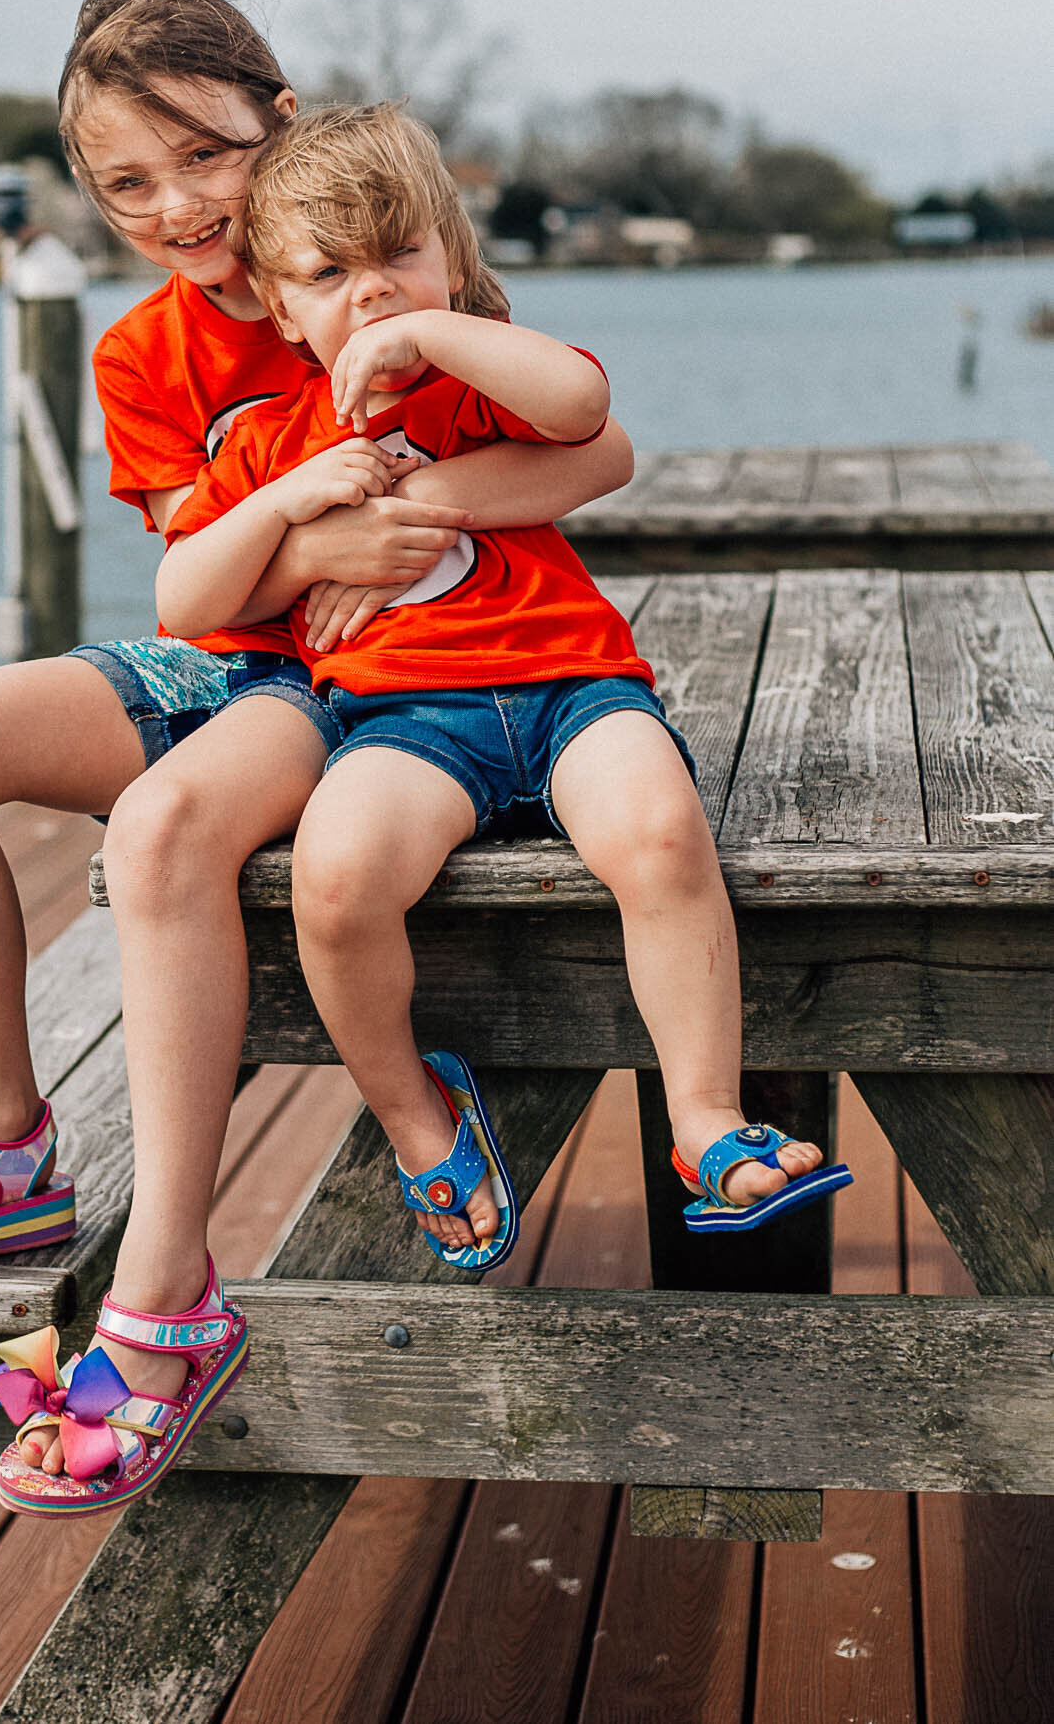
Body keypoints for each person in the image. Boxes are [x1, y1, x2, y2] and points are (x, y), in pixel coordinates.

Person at [0, 0, 636, 1497]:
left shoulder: (390, 278)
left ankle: (170, 1276)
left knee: (171, 824)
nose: (176, 204)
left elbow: (596, 445)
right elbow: (210, 585)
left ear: (283, 123)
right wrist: (310, 544)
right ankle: (0, 1145)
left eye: (203, 154)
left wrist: (422, 506)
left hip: (378, 691)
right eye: (126, 180)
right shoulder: (141, 359)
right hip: (231, 657)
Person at [156, 102, 852, 1287]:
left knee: (661, 828)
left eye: (401, 256)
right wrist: (288, 507)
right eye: (329, 274)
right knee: (334, 878)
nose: (372, 295)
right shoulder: (275, 436)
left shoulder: (479, 384)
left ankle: (703, 1118)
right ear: (277, 305)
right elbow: (183, 596)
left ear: (455, 255)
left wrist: (440, 329)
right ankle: (417, 1114)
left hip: (573, 689)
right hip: (407, 722)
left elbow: (586, 415)